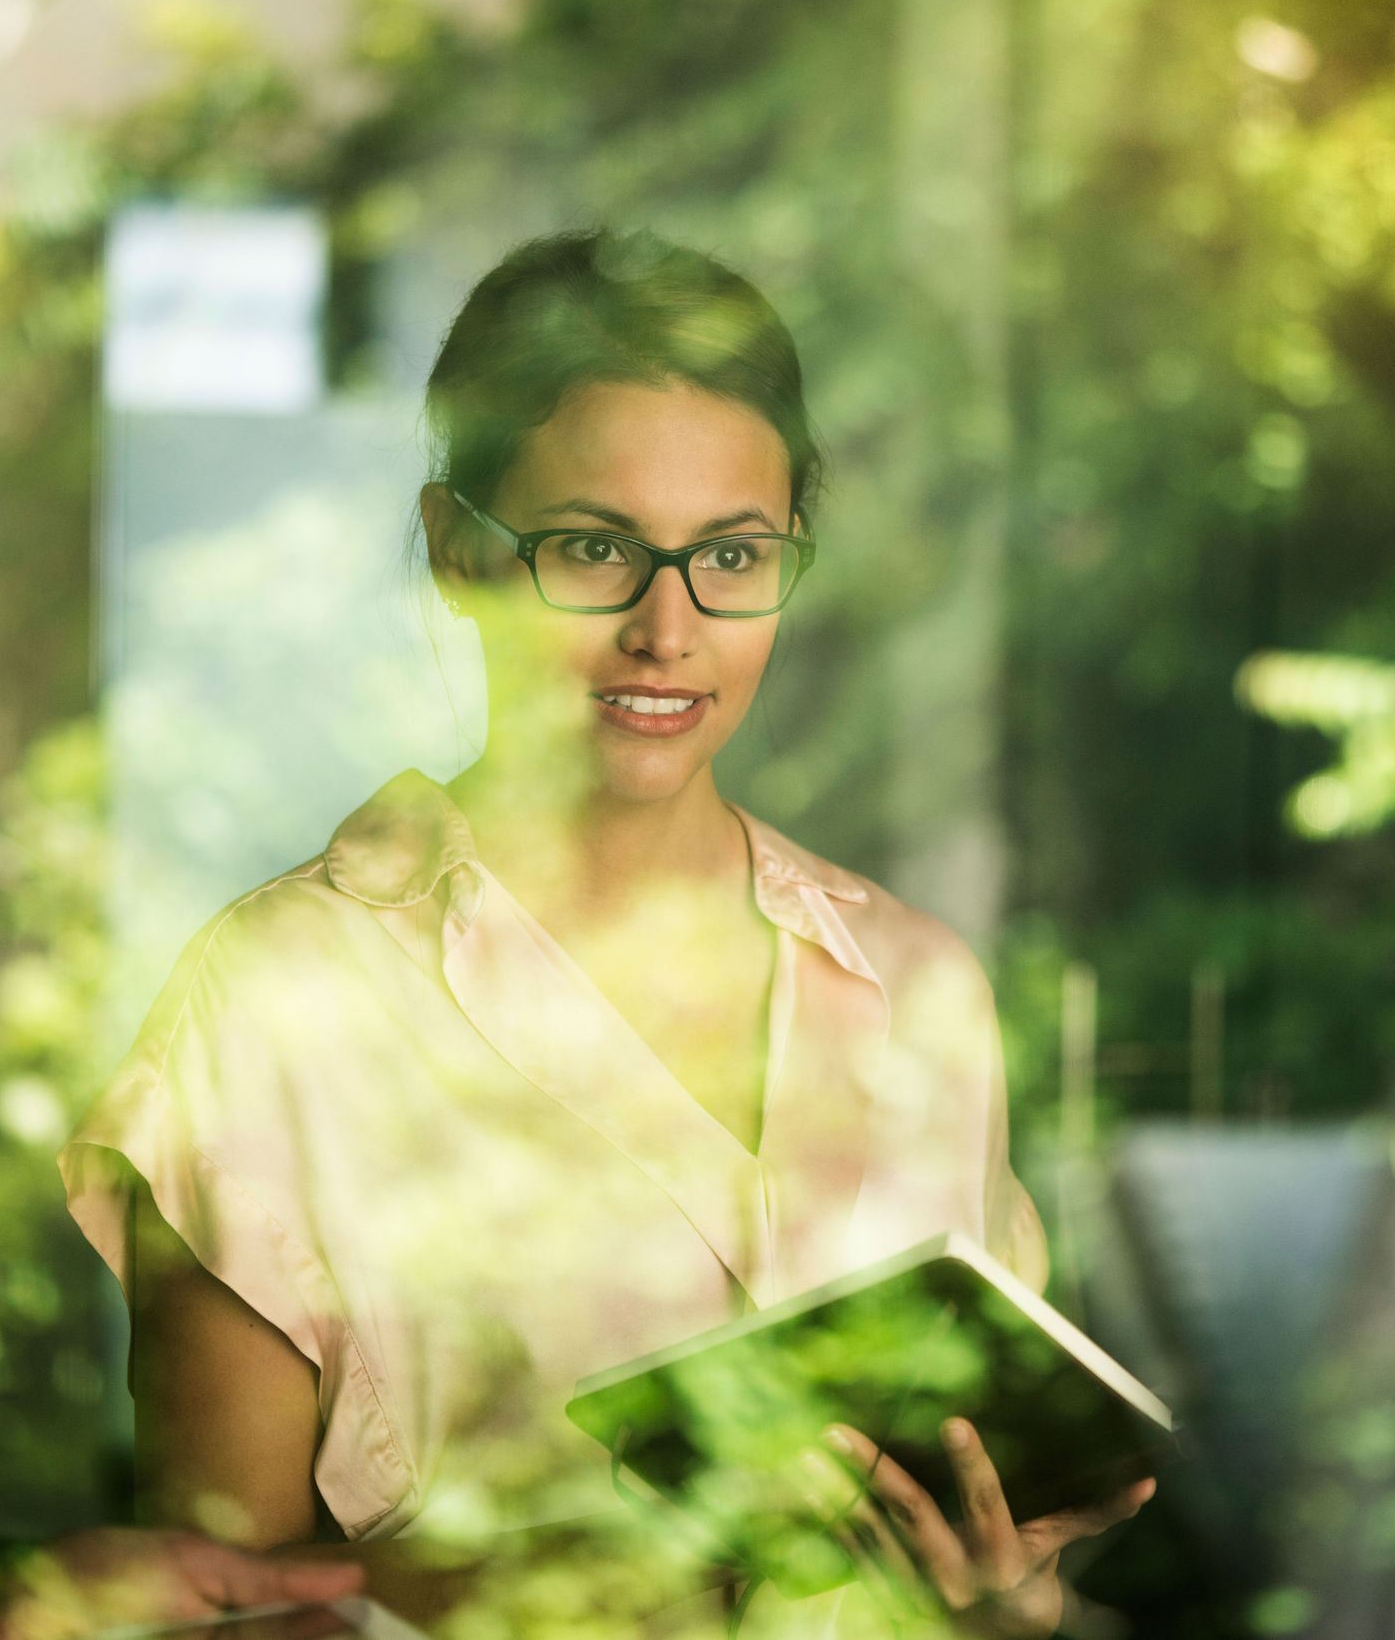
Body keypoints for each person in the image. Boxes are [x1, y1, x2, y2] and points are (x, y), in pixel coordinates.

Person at [58, 229, 1151, 1636]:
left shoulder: (919, 990)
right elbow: (197, 1611)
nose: (667, 627)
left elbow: (978, 1574)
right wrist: (642, 1556)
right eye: (592, 548)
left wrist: (1004, 1597)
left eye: (734, 555)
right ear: (457, 550)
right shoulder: (275, 1000)